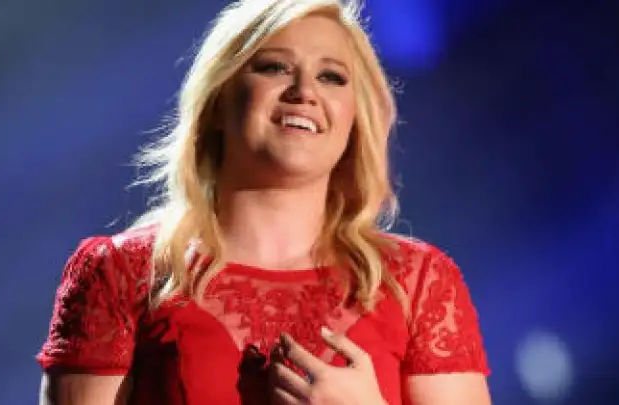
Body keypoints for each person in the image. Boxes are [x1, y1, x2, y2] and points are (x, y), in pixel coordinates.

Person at [37, 0, 492, 404]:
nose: (304, 92)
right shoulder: (120, 274)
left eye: (331, 77)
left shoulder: (419, 285)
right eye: (275, 67)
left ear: (355, 119)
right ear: (218, 102)